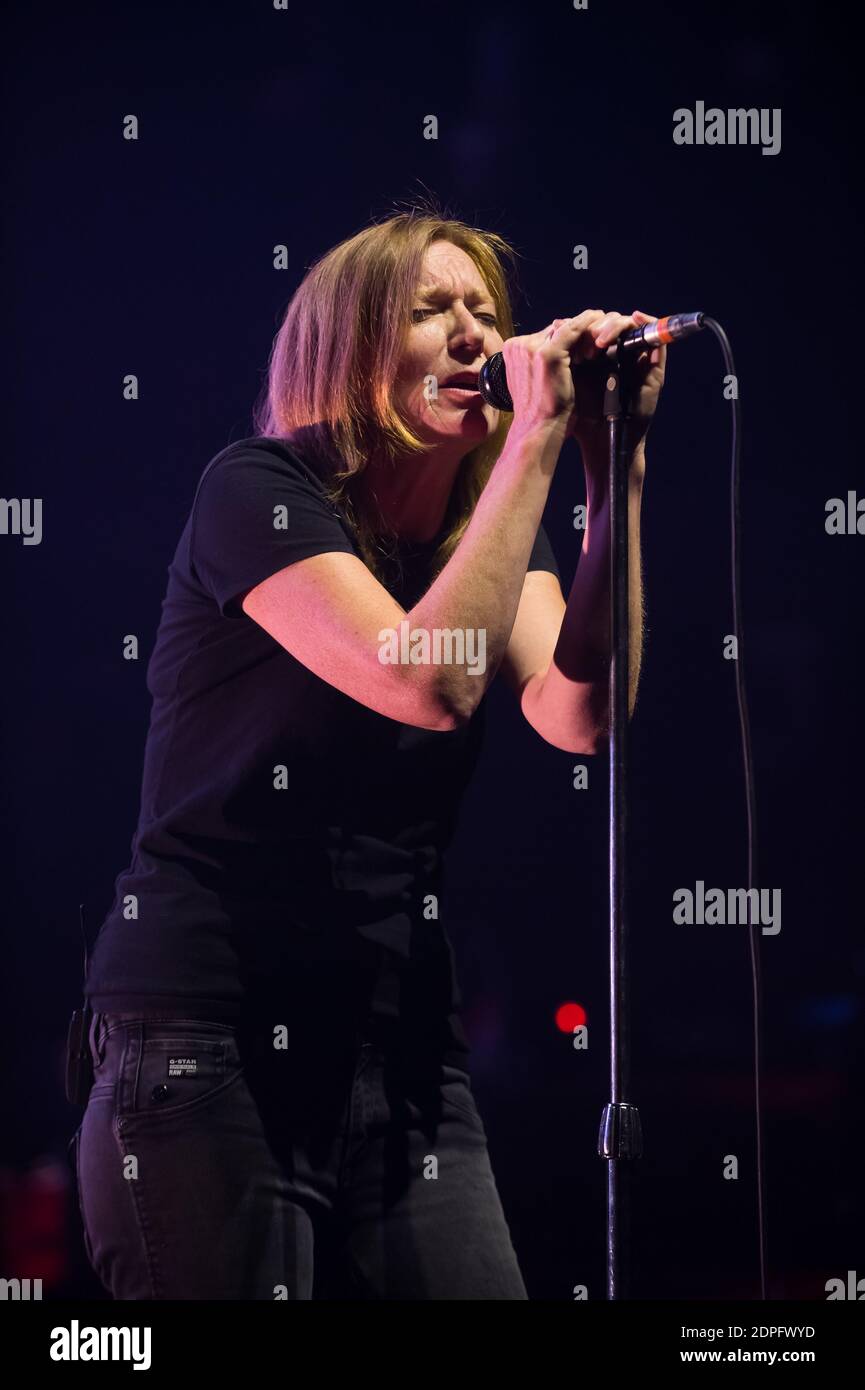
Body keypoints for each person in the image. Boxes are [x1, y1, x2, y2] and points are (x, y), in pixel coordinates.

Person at [70, 208, 666, 1300]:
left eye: (487, 311)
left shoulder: (487, 532)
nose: (474, 333)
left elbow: (580, 715)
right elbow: (425, 682)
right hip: (212, 1043)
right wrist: (533, 439)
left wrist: (608, 468)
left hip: (401, 1056)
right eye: (431, 309)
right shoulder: (256, 492)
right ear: (347, 348)